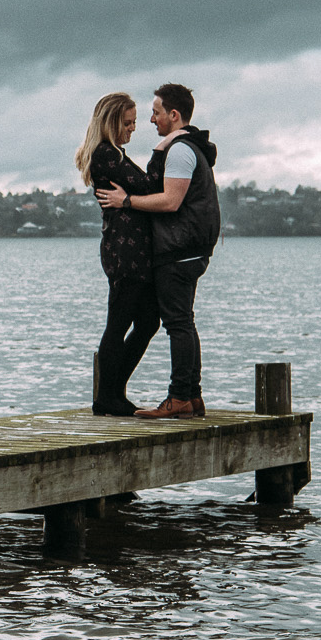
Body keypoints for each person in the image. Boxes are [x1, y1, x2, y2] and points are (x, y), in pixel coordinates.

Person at [98, 83, 220, 418]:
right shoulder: (182, 147)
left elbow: (170, 200)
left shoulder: (179, 150)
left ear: (174, 114)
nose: (150, 119)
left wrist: (127, 200)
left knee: (177, 323)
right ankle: (190, 396)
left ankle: (180, 396)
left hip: (179, 250)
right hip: (184, 248)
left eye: (155, 112)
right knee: (181, 322)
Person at [76, 92, 163, 416]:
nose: (133, 128)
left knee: (147, 321)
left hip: (134, 251)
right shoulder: (105, 155)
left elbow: (139, 188)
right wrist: (163, 152)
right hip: (124, 252)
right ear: (112, 123)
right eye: (128, 123)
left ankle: (113, 392)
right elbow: (148, 188)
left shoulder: (114, 155)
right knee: (119, 324)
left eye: (134, 122)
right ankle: (107, 397)